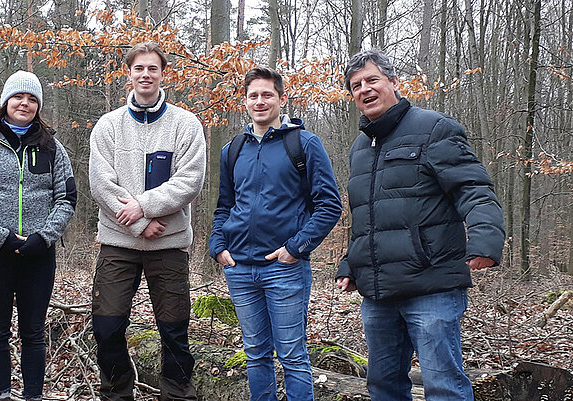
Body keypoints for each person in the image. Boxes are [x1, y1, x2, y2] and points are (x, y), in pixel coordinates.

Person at [335, 49, 505, 401]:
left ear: (394, 83)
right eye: (355, 85)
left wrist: (486, 238)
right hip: (378, 293)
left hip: (432, 286)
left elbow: (472, 188)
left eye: (372, 80)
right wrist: (351, 263)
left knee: (443, 387)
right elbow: (365, 216)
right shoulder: (360, 147)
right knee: (383, 387)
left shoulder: (434, 128)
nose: (364, 89)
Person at [209, 67, 342, 400]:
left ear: (281, 99)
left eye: (267, 94)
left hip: (284, 268)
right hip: (239, 268)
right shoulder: (232, 150)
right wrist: (217, 244)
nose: (260, 101)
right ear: (244, 102)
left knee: (293, 356)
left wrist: (295, 248)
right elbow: (225, 205)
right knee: (255, 353)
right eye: (253, 95)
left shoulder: (303, 144)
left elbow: (329, 205)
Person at [88, 42, 206, 401]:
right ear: (129, 73)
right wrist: (139, 224)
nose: (145, 75)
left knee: (173, 329)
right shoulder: (108, 126)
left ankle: (176, 393)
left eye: (152, 69)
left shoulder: (185, 124)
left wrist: (142, 206)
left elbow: (189, 182)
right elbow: (101, 184)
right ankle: (117, 392)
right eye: (139, 68)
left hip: (168, 245)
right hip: (118, 244)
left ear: (162, 74)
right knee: (107, 327)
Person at [0, 70, 76, 401]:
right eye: (18, 97)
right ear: (6, 101)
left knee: (34, 332)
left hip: (39, 255)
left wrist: (44, 236)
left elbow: (67, 198)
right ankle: (1, 394)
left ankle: (33, 395)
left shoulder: (53, 147)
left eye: (32, 99)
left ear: (38, 105)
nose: (24, 103)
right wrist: (0, 236)